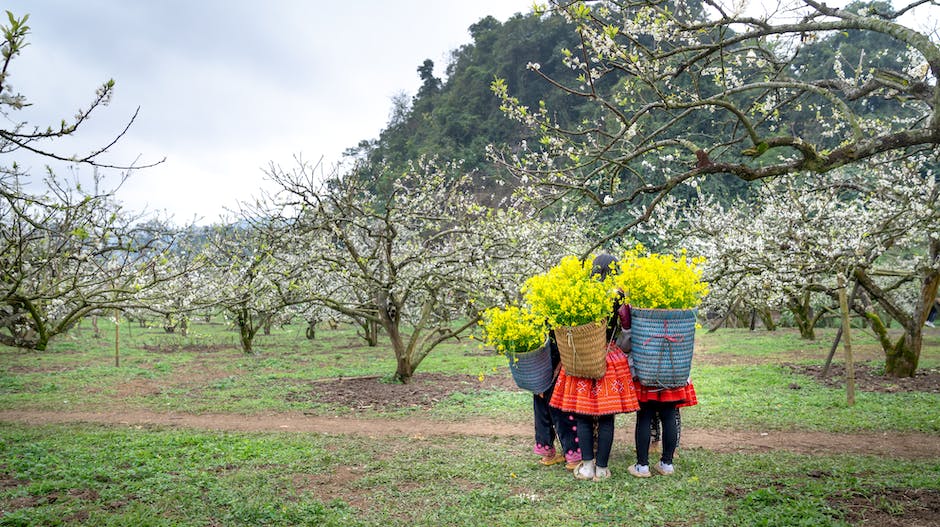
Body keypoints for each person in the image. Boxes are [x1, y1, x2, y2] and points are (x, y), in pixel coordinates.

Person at [549, 254, 640, 481]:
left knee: (583, 416)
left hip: (581, 358)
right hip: (609, 359)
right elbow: (626, 336)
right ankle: (602, 468)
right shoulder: (620, 297)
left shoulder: (580, 293)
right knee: (607, 417)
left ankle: (587, 466)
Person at [627, 302, 699, 478]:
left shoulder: (640, 307)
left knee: (644, 417)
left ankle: (642, 466)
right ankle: (667, 463)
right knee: (669, 416)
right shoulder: (680, 308)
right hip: (672, 372)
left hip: (647, 369)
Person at [532, 331, 581, 470]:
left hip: (539, 363)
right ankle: (573, 457)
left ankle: (547, 452)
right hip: (556, 358)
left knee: (541, 404)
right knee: (561, 409)